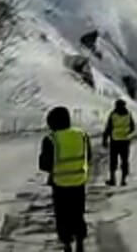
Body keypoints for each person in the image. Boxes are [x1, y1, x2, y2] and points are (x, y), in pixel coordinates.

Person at [39, 106, 91, 252]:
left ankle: (67, 244)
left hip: (60, 183)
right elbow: (89, 157)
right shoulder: (82, 135)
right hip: (79, 181)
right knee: (77, 212)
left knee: (63, 216)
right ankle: (80, 241)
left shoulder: (51, 139)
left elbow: (44, 165)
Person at [102, 98, 135, 186]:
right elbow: (132, 127)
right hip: (125, 141)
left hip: (115, 140)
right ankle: (123, 180)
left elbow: (108, 128)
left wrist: (105, 139)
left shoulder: (113, 115)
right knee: (124, 161)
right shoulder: (128, 114)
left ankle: (113, 179)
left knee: (113, 161)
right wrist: (126, 133)